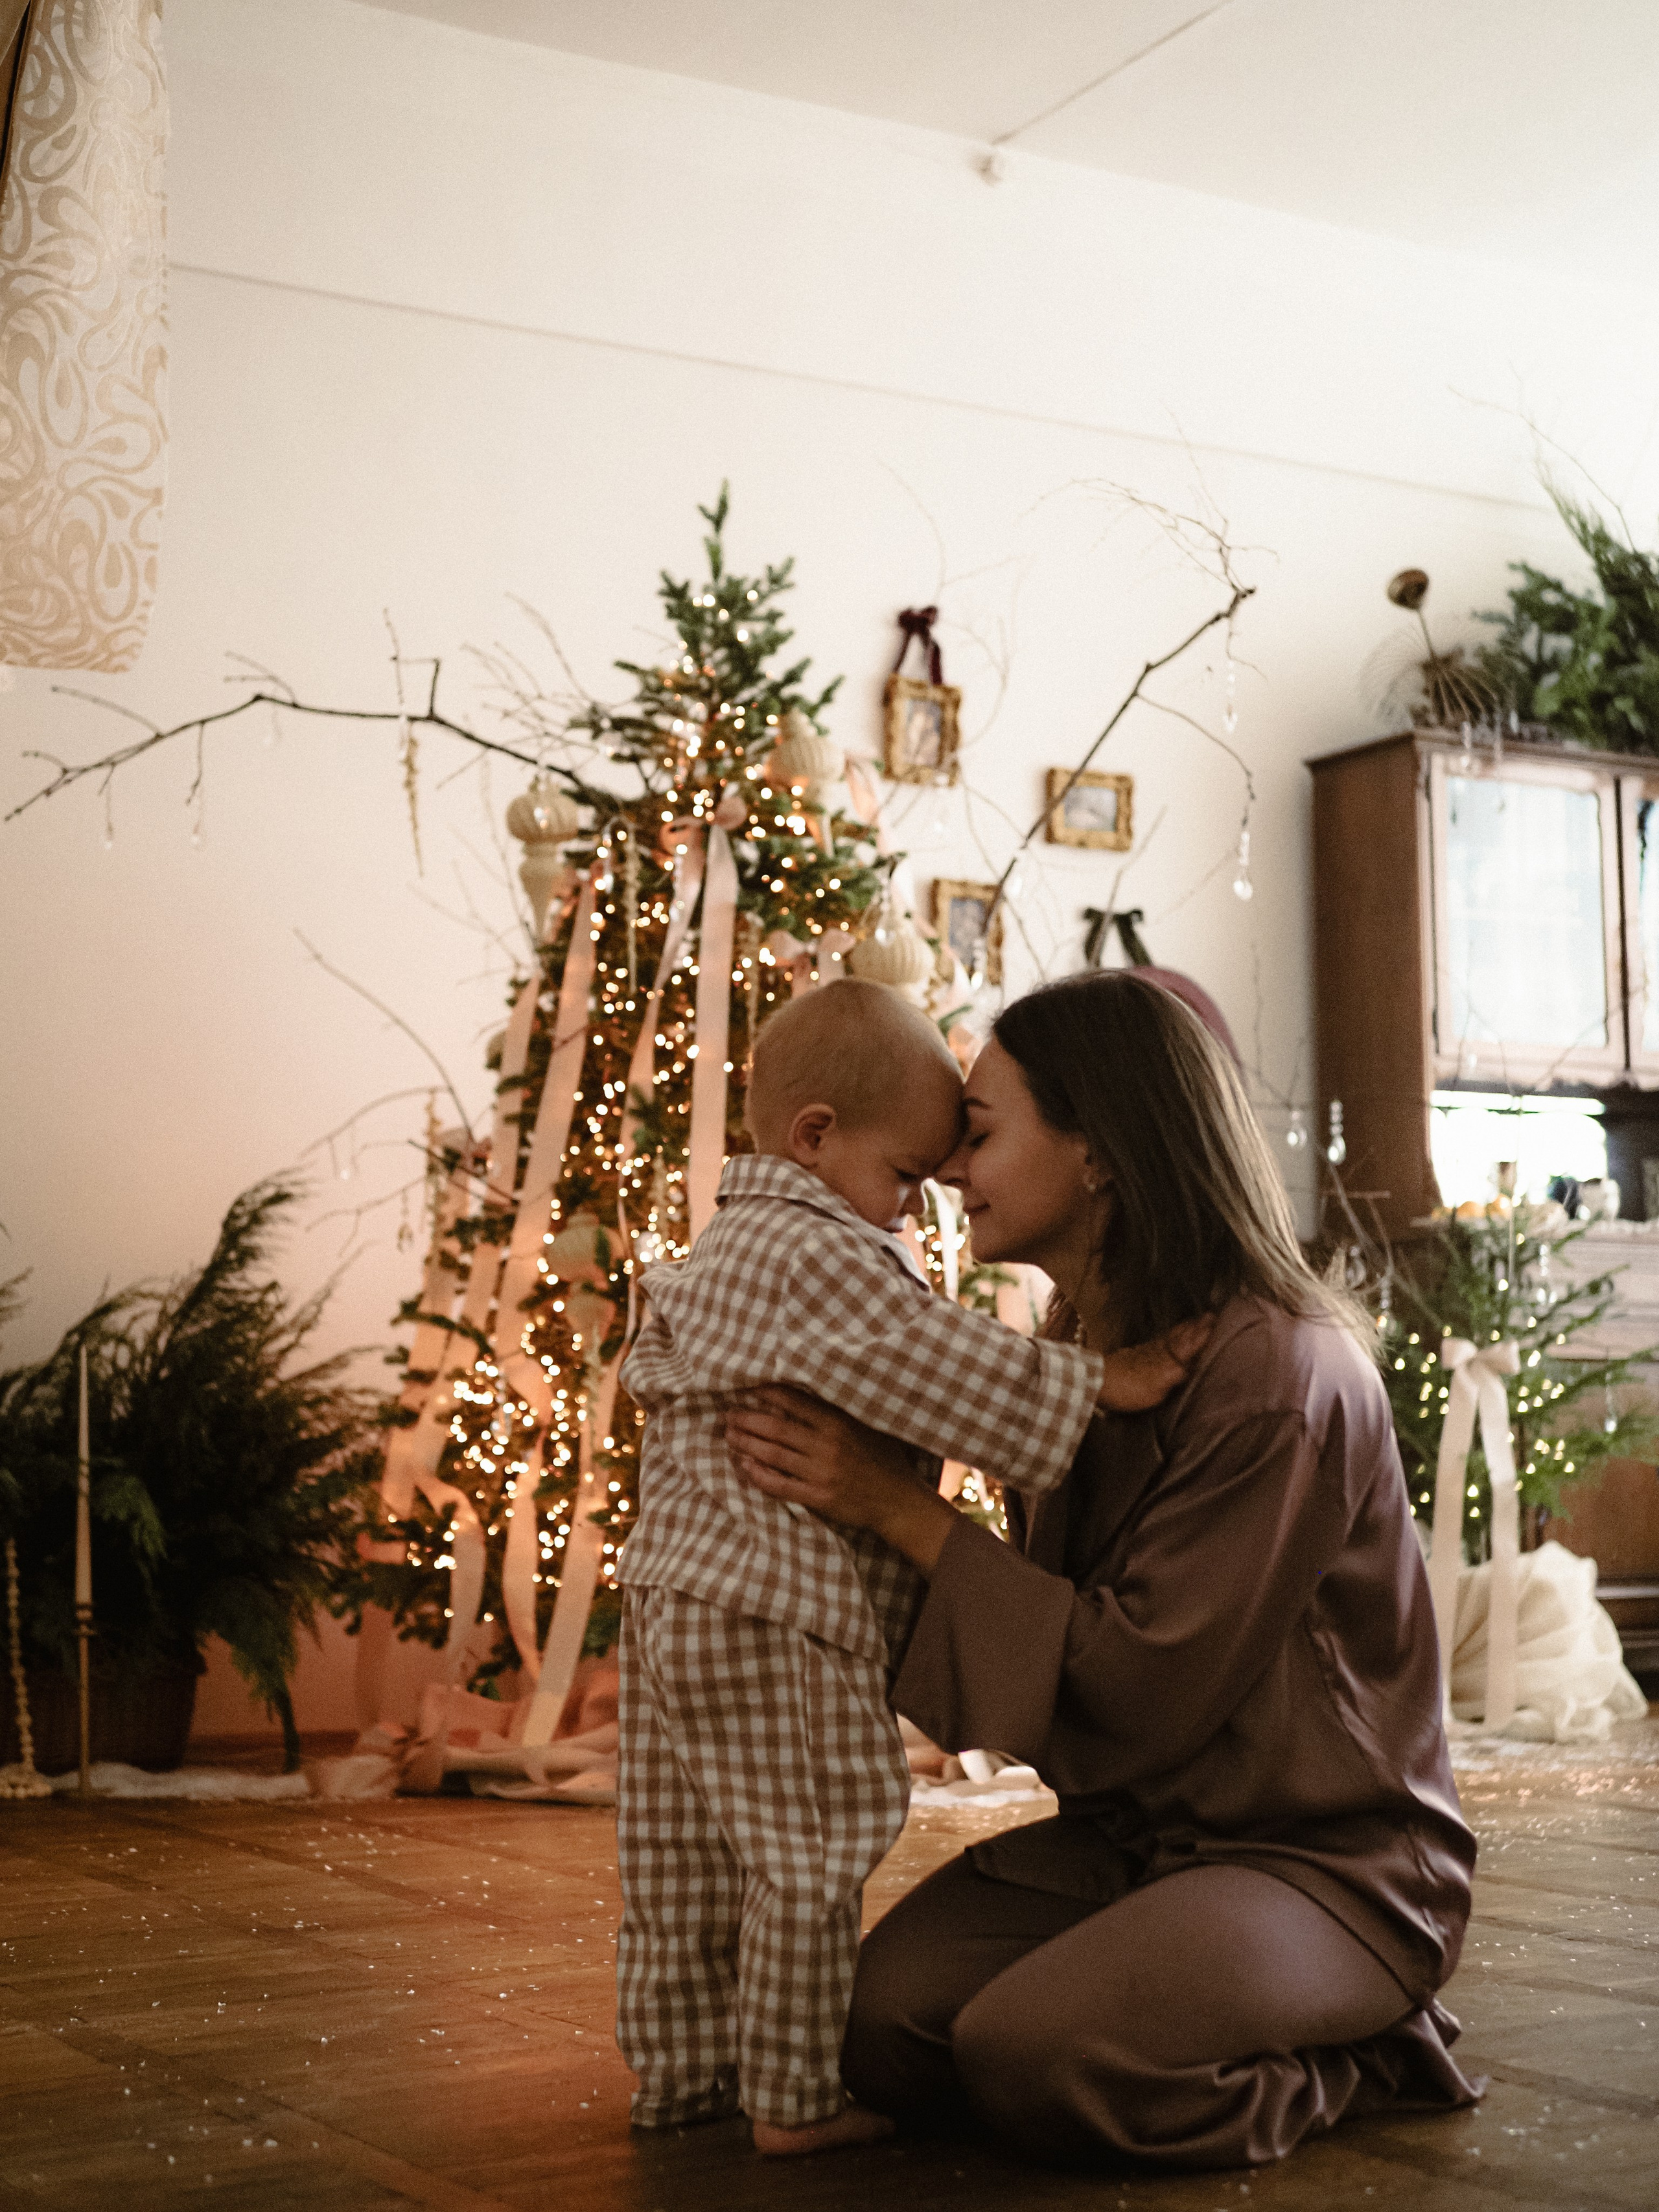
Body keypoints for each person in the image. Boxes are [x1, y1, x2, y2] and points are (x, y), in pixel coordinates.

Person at [726, 970, 1481, 2173]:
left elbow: (1135, 1687)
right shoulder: (1074, 1354)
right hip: (1135, 1843)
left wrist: (892, 1505)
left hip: (1326, 1863)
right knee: (865, 2028)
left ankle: (1369, 2048)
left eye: (977, 1134)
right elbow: (1048, 1677)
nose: (948, 1171)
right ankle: (1164, 1994)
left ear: (1100, 1153)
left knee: (1040, 2053)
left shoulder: (1283, 1375)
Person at [614, 979, 1205, 2158]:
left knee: (680, 1855)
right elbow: (932, 1358)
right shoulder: (814, 1249)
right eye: (903, 1178)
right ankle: (790, 2094)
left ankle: (684, 2075)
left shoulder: (735, 1241)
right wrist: (1104, 1383)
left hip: (672, 1595)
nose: (914, 1211)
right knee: (813, 1839)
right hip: (769, 1603)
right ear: (814, 1136)